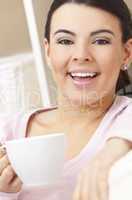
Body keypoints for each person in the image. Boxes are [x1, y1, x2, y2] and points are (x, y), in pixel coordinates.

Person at [0, 0, 132, 199]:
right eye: (65, 41)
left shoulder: (124, 124)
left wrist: (113, 152)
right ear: (48, 51)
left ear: (126, 53)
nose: (81, 55)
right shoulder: (7, 132)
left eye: (100, 41)